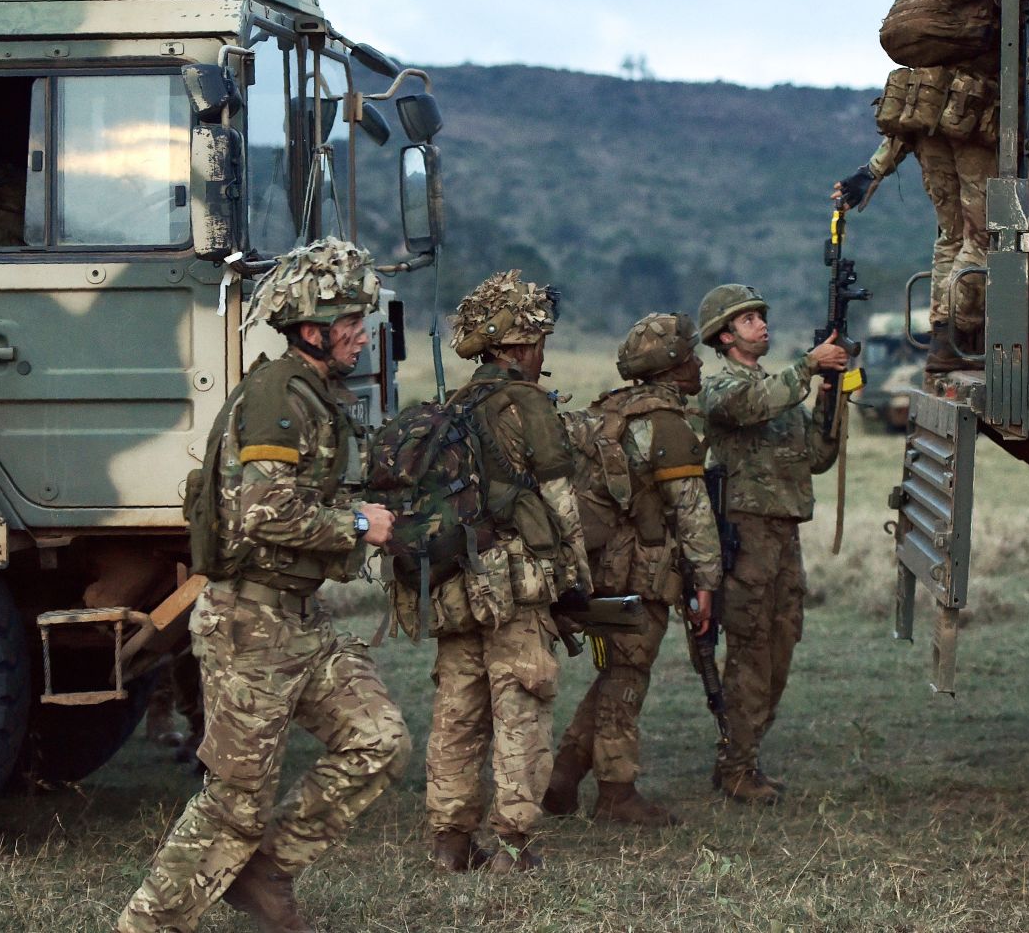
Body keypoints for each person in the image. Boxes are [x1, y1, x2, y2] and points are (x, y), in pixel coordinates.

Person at [116, 238, 407, 933]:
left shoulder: (314, 395)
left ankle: (266, 872)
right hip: (250, 625)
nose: (363, 334)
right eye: (350, 321)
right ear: (312, 329)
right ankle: (146, 925)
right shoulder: (279, 395)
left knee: (380, 740)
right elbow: (264, 512)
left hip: (299, 622)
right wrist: (358, 522)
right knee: (234, 805)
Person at [417, 270, 592, 873]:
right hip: (515, 588)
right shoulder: (529, 403)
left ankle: (450, 841)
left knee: (457, 711)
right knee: (522, 702)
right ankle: (514, 844)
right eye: (538, 342)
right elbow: (561, 503)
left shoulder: (452, 406)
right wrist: (578, 582)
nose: (542, 355)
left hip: (454, 583)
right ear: (517, 346)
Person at [542, 312, 724, 827]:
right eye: (691, 356)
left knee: (617, 671)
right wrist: (706, 583)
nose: (699, 364)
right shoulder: (667, 425)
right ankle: (616, 793)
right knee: (627, 678)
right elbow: (692, 512)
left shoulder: (611, 409)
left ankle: (563, 776)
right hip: (638, 576)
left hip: (598, 569)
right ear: (672, 365)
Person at [694, 284, 848, 803]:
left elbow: (816, 458)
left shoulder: (779, 389)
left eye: (761, 316)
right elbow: (749, 407)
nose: (762, 325)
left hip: (784, 536)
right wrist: (808, 367)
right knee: (751, 652)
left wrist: (831, 401)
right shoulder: (722, 388)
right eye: (749, 319)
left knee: (780, 647)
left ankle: (744, 761)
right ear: (724, 336)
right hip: (748, 537)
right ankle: (737, 768)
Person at [835, 0, 998, 385]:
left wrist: (872, 171)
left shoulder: (943, 7)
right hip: (973, 131)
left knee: (950, 237)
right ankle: (959, 336)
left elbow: (912, 113)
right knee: (982, 236)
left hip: (929, 135)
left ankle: (943, 338)